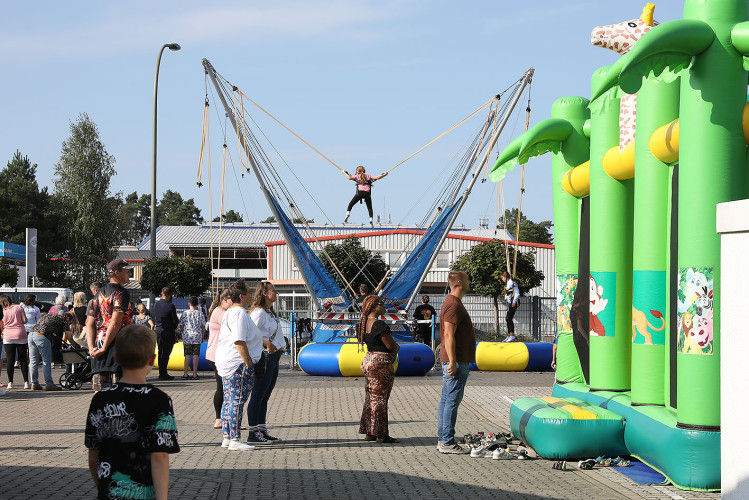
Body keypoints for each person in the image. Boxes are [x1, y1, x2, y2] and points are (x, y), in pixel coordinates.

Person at [84, 324, 180, 500]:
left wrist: (103, 488)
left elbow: (93, 454)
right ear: (152, 360)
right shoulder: (160, 400)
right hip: (145, 494)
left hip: (110, 492)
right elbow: (160, 456)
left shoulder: (100, 399)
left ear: (116, 359)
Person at [215, 279, 263, 451]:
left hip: (228, 362)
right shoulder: (240, 314)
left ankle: (227, 437)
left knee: (229, 400)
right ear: (242, 297)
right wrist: (248, 363)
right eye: (250, 293)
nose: (252, 296)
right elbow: (239, 340)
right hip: (237, 364)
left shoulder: (229, 312)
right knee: (237, 401)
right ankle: (235, 438)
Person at [437, 270, 476, 454]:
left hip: (455, 359)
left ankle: (443, 439)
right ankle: (447, 442)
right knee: (451, 401)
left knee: (447, 400)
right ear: (459, 283)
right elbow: (448, 334)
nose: (470, 282)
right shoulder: (453, 305)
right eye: (467, 280)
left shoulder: (451, 302)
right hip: (456, 360)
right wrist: (452, 361)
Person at [86, 258, 134, 393]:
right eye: (127, 271)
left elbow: (89, 324)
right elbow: (115, 322)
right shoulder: (121, 293)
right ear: (117, 272)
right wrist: (105, 347)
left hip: (98, 351)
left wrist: (92, 349)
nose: (130, 273)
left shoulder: (97, 295)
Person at [358, 295, 400, 443]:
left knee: (371, 399)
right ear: (375, 307)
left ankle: (370, 432)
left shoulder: (364, 323)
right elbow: (390, 345)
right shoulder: (379, 325)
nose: (384, 307)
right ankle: (382, 434)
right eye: (382, 304)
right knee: (381, 399)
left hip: (369, 361)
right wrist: (397, 347)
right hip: (380, 364)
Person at [246, 281, 285, 444]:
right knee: (258, 394)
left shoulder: (269, 312)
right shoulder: (259, 313)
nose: (276, 293)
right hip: (265, 357)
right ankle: (253, 433)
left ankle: (261, 429)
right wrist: (267, 343)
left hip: (274, 357)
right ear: (264, 293)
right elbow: (249, 334)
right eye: (273, 291)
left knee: (265, 396)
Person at [28, 312, 78, 391]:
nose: (69, 324)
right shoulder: (63, 320)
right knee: (46, 361)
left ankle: (34, 384)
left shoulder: (51, 316)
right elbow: (69, 336)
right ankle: (49, 384)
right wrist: (76, 346)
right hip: (41, 336)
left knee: (33, 361)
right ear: (68, 318)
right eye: (70, 322)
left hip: (31, 334)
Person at [206, 289, 231, 429]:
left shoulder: (217, 310)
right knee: (222, 386)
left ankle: (221, 418)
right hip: (217, 354)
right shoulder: (220, 313)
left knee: (222, 386)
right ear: (225, 299)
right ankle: (220, 418)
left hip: (215, 353)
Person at [1, 295, 30, 389]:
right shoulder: (18, 307)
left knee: (10, 360)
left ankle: (10, 382)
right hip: (20, 333)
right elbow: (25, 320)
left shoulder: (3, 310)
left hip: (8, 335)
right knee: (23, 360)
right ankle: (26, 382)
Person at [153, 287, 179, 381]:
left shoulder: (156, 304)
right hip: (168, 331)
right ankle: (164, 373)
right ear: (170, 295)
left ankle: (161, 372)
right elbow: (175, 320)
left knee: (160, 351)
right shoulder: (170, 306)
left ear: (161, 293)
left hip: (159, 330)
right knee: (166, 353)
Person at [178, 296, 206, 380]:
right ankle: (194, 373)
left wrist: (183, 333)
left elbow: (181, 325)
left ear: (188, 304)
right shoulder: (200, 313)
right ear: (197, 304)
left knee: (187, 355)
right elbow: (203, 326)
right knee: (195, 355)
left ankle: (185, 373)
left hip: (187, 336)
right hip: (197, 336)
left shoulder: (185, 313)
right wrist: (202, 336)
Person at [501, 271, 520, 342]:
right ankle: (509, 335)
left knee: (509, 318)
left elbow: (517, 293)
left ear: (506, 277)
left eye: (503, 277)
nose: (502, 279)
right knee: (507, 318)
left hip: (513, 302)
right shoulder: (508, 284)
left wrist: (514, 302)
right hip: (510, 303)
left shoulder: (513, 283)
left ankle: (512, 335)